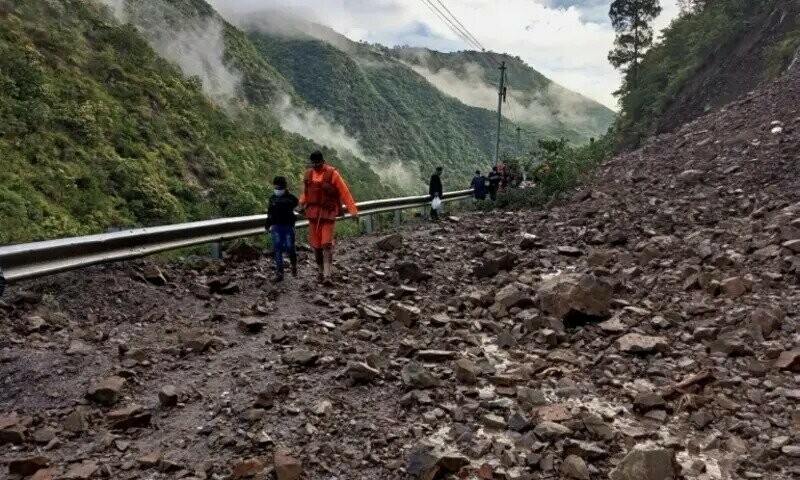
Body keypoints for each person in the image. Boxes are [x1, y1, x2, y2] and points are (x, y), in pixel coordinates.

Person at [299, 151, 358, 284]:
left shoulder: (333, 174)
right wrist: (300, 204)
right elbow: (306, 194)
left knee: (326, 245)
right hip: (313, 214)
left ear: (323, 161)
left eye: (318, 163)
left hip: (328, 213)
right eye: (313, 163)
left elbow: (344, 192)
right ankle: (320, 272)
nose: (316, 165)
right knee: (316, 247)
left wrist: (353, 211)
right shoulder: (308, 174)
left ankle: (327, 275)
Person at [266, 176, 299, 283]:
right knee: (277, 249)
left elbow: (298, 206)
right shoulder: (272, 198)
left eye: (279, 188)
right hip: (276, 227)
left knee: (290, 247)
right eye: (276, 187)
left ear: (284, 187)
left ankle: (294, 265)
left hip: (288, 226)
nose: (277, 190)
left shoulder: (291, 198)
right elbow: (270, 213)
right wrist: (268, 224)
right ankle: (279, 273)